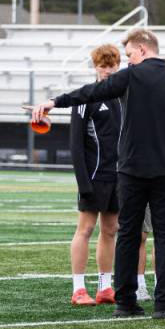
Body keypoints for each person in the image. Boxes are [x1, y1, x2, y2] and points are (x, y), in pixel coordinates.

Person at [32, 28, 165, 320]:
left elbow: (93, 91)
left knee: (128, 233)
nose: (128, 60)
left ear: (142, 49)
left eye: (129, 54)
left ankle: (126, 302)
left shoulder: (132, 75)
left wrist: (55, 101)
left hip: (130, 168)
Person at [67, 44, 123, 306]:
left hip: (119, 176)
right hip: (93, 176)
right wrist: (83, 181)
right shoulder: (85, 98)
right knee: (86, 228)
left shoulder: (124, 97)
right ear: (95, 67)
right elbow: (76, 144)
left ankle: (105, 286)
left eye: (112, 66)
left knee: (111, 229)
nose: (108, 71)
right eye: (103, 66)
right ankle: (78, 289)